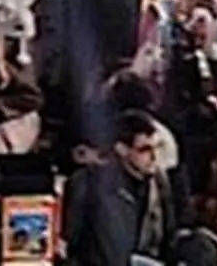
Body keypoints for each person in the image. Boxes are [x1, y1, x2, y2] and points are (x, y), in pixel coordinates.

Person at [60, 114, 189, 266]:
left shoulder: (159, 183)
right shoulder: (88, 183)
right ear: (122, 149)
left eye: (157, 147)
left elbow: (169, 238)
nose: (154, 157)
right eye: (145, 150)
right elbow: (68, 243)